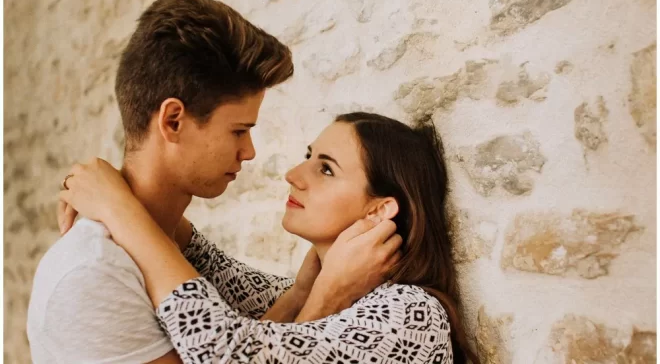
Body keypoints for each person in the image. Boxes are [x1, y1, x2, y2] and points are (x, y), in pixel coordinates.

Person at [27, 0, 399, 364]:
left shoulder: (168, 246)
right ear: (173, 121)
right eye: (238, 131)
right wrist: (326, 300)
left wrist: (304, 295)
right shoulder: (95, 273)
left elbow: (240, 347)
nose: (249, 151)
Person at [59, 112, 481, 364]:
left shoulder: (411, 315)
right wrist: (118, 183)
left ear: (377, 210)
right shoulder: (301, 290)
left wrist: (118, 207)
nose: (294, 175)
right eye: (308, 157)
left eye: (326, 168)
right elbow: (203, 261)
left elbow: (223, 351)